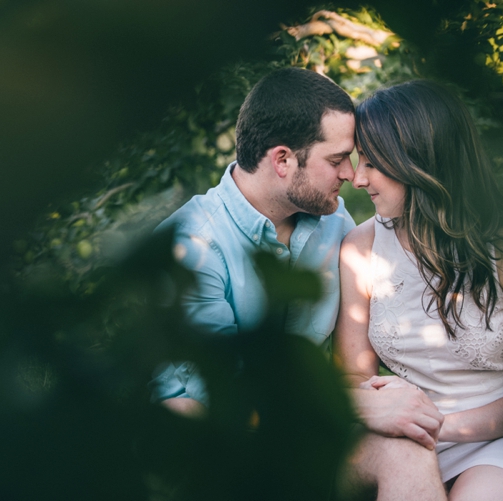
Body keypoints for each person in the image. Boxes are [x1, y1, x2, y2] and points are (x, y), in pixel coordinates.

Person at [150, 67, 448, 499]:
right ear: (283, 160)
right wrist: (356, 405)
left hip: (313, 438)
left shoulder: (333, 222)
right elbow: (217, 403)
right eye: (336, 159)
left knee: (405, 452)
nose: (351, 174)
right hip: (224, 455)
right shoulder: (192, 247)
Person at [337, 79, 503, 500]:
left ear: (418, 161)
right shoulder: (360, 249)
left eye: (372, 163)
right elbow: (351, 376)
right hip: (417, 433)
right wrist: (388, 413)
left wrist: (434, 424)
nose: (357, 180)